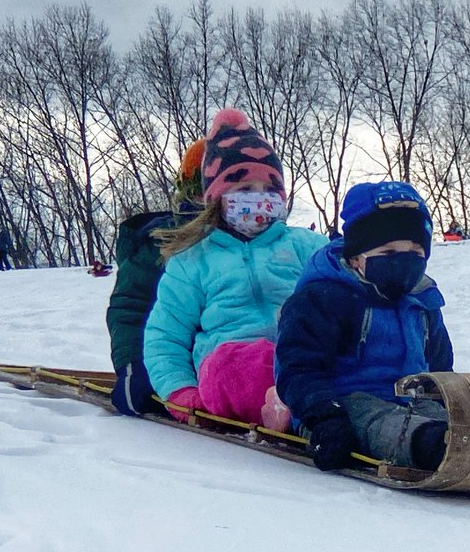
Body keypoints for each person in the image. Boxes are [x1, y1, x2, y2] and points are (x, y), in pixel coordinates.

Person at [143, 108, 326, 425]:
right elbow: (165, 335)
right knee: (233, 365)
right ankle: (292, 409)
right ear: (218, 198)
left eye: (269, 191)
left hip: (300, 360)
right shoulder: (193, 261)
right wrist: (180, 392)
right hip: (233, 369)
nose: (260, 201)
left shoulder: (306, 246)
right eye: (244, 191)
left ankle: (305, 406)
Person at [274, 180, 453, 472]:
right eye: (389, 254)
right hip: (338, 406)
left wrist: (455, 403)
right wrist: (323, 417)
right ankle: (433, 446)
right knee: (377, 420)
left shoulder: (422, 302)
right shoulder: (325, 297)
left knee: (454, 419)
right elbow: (298, 366)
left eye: (416, 253)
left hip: (410, 399)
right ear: (356, 257)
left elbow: (441, 368)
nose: (404, 262)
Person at [105, 138, 205, 416]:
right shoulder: (160, 244)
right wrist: (133, 363)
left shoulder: (253, 240)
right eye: (202, 191)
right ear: (189, 192)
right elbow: (131, 307)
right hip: (172, 369)